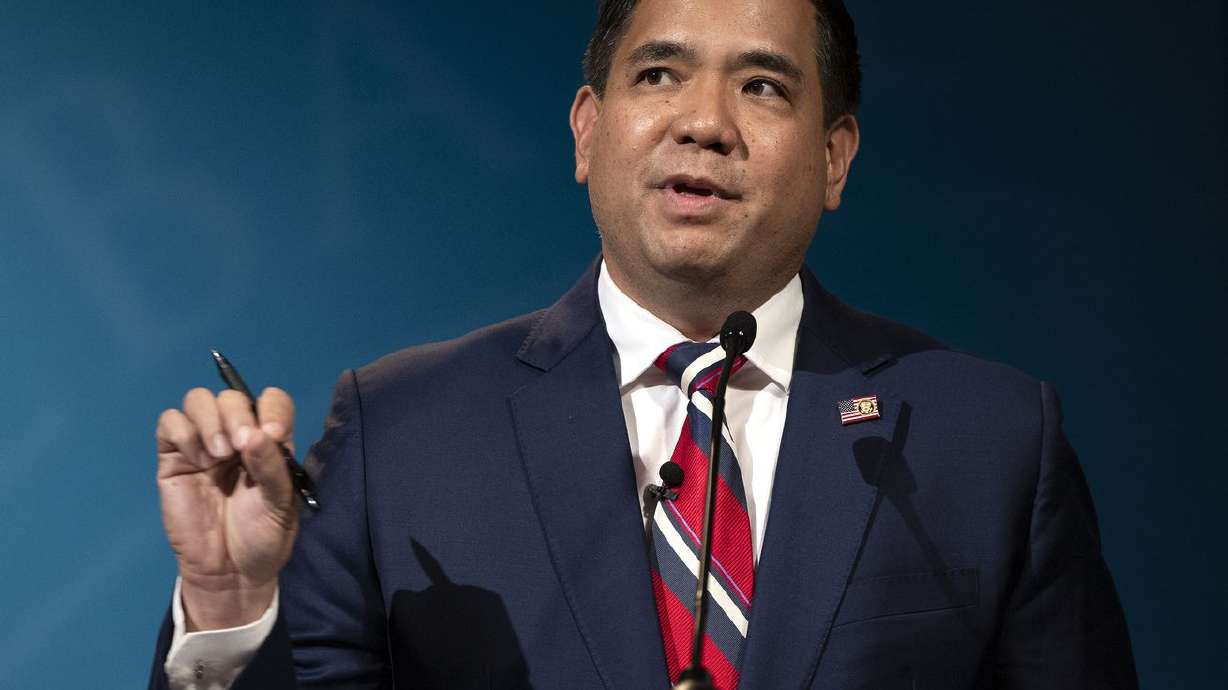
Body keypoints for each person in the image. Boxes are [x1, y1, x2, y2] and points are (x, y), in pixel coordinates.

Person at [149, 0, 1138, 688]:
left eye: (762, 87)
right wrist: (231, 607)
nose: (702, 124)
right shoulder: (401, 431)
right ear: (588, 132)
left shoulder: (989, 439)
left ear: (835, 158)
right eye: (659, 74)